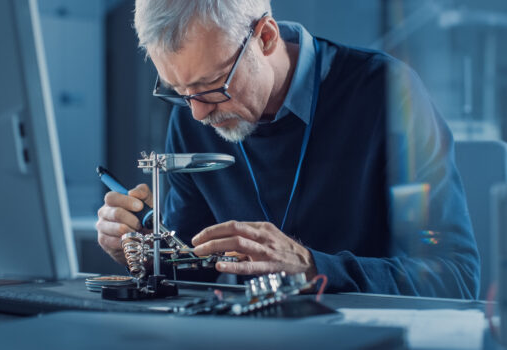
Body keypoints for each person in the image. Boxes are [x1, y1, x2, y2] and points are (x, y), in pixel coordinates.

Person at [97, 0, 480, 298]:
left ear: (265, 36)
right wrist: (144, 254)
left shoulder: (387, 95)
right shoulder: (193, 114)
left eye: (212, 85)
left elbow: (455, 276)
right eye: (180, 93)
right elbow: (195, 265)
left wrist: (314, 267)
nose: (197, 114)